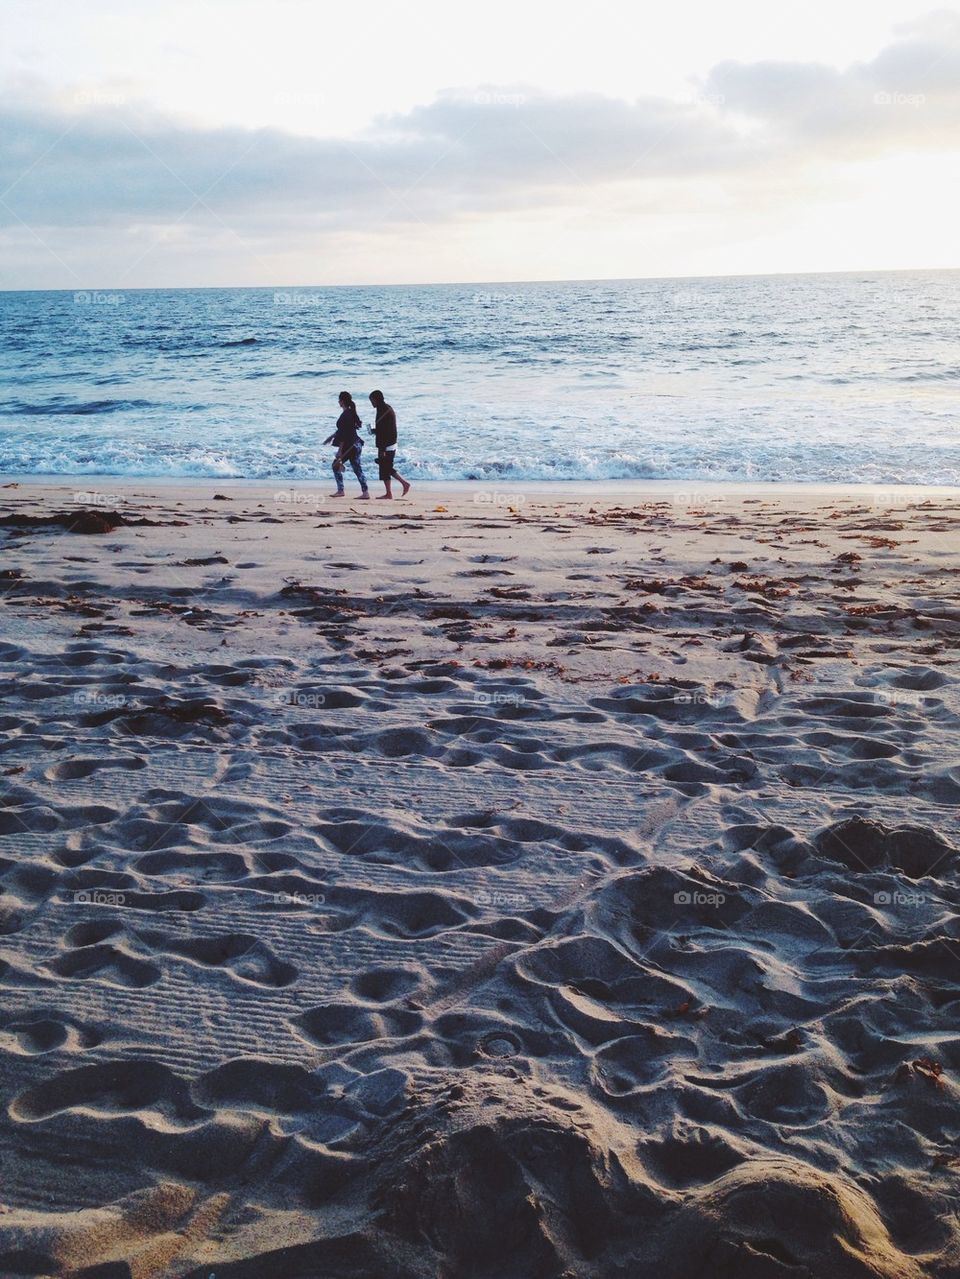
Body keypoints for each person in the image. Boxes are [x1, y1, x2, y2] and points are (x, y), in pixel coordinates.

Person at [325, 391, 369, 499]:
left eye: (339, 400)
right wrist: (332, 436)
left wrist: (340, 451)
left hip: (350, 446)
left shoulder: (346, 414)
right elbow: (345, 430)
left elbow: (344, 434)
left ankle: (341, 491)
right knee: (357, 469)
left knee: (335, 466)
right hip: (357, 444)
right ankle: (365, 492)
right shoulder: (351, 412)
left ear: (342, 401)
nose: (338, 402)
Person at [368, 389, 411, 499]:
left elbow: (385, 432)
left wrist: (382, 449)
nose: (371, 403)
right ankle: (389, 493)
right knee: (385, 468)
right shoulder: (385, 408)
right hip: (390, 442)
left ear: (376, 399)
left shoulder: (383, 410)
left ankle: (404, 484)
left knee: (386, 468)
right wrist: (375, 431)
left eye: (372, 400)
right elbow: (384, 428)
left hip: (387, 444)